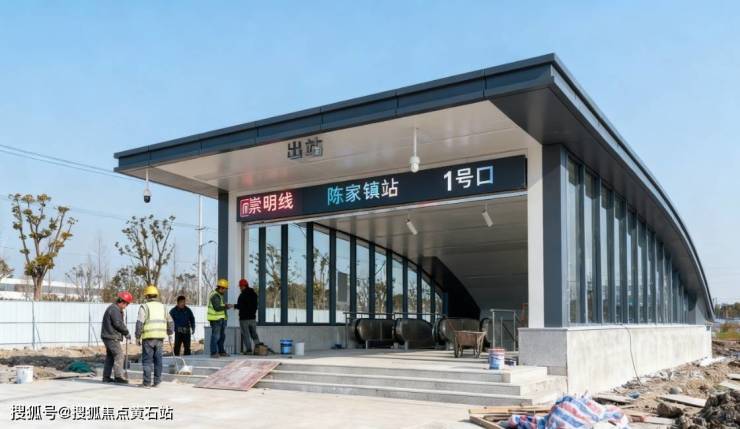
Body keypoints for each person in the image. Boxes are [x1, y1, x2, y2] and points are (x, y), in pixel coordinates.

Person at [135, 285, 174, 388]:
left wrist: (137, 337)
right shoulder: (163, 307)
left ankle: (147, 383)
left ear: (147, 296)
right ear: (156, 295)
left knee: (147, 361)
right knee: (158, 360)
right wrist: (170, 334)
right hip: (160, 338)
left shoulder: (144, 307)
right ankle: (157, 382)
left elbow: (139, 323)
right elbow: (170, 321)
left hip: (148, 338)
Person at [100, 291, 133, 384]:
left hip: (107, 335)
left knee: (110, 356)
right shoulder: (114, 309)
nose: (126, 306)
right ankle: (118, 376)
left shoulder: (113, 308)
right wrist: (126, 332)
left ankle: (106, 377)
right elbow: (118, 323)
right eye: (126, 304)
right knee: (119, 355)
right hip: (111, 336)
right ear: (122, 302)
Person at [207, 278, 233, 358]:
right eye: (225, 289)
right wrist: (226, 306)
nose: (225, 291)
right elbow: (217, 308)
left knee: (222, 336)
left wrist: (225, 306)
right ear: (221, 288)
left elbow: (219, 306)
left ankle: (221, 351)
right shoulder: (215, 295)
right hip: (216, 320)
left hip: (220, 319)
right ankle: (213, 352)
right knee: (216, 336)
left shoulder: (219, 295)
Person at [234, 279, 260, 354]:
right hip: (252, 318)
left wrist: (234, 306)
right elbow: (255, 306)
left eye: (240, 287)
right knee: (254, 334)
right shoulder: (254, 294)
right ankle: (258, 349)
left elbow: (240, 306)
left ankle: (249, 350)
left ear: (243, 286)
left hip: (244, 319)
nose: (240, 288)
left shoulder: (242, 295)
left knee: (246, 335)